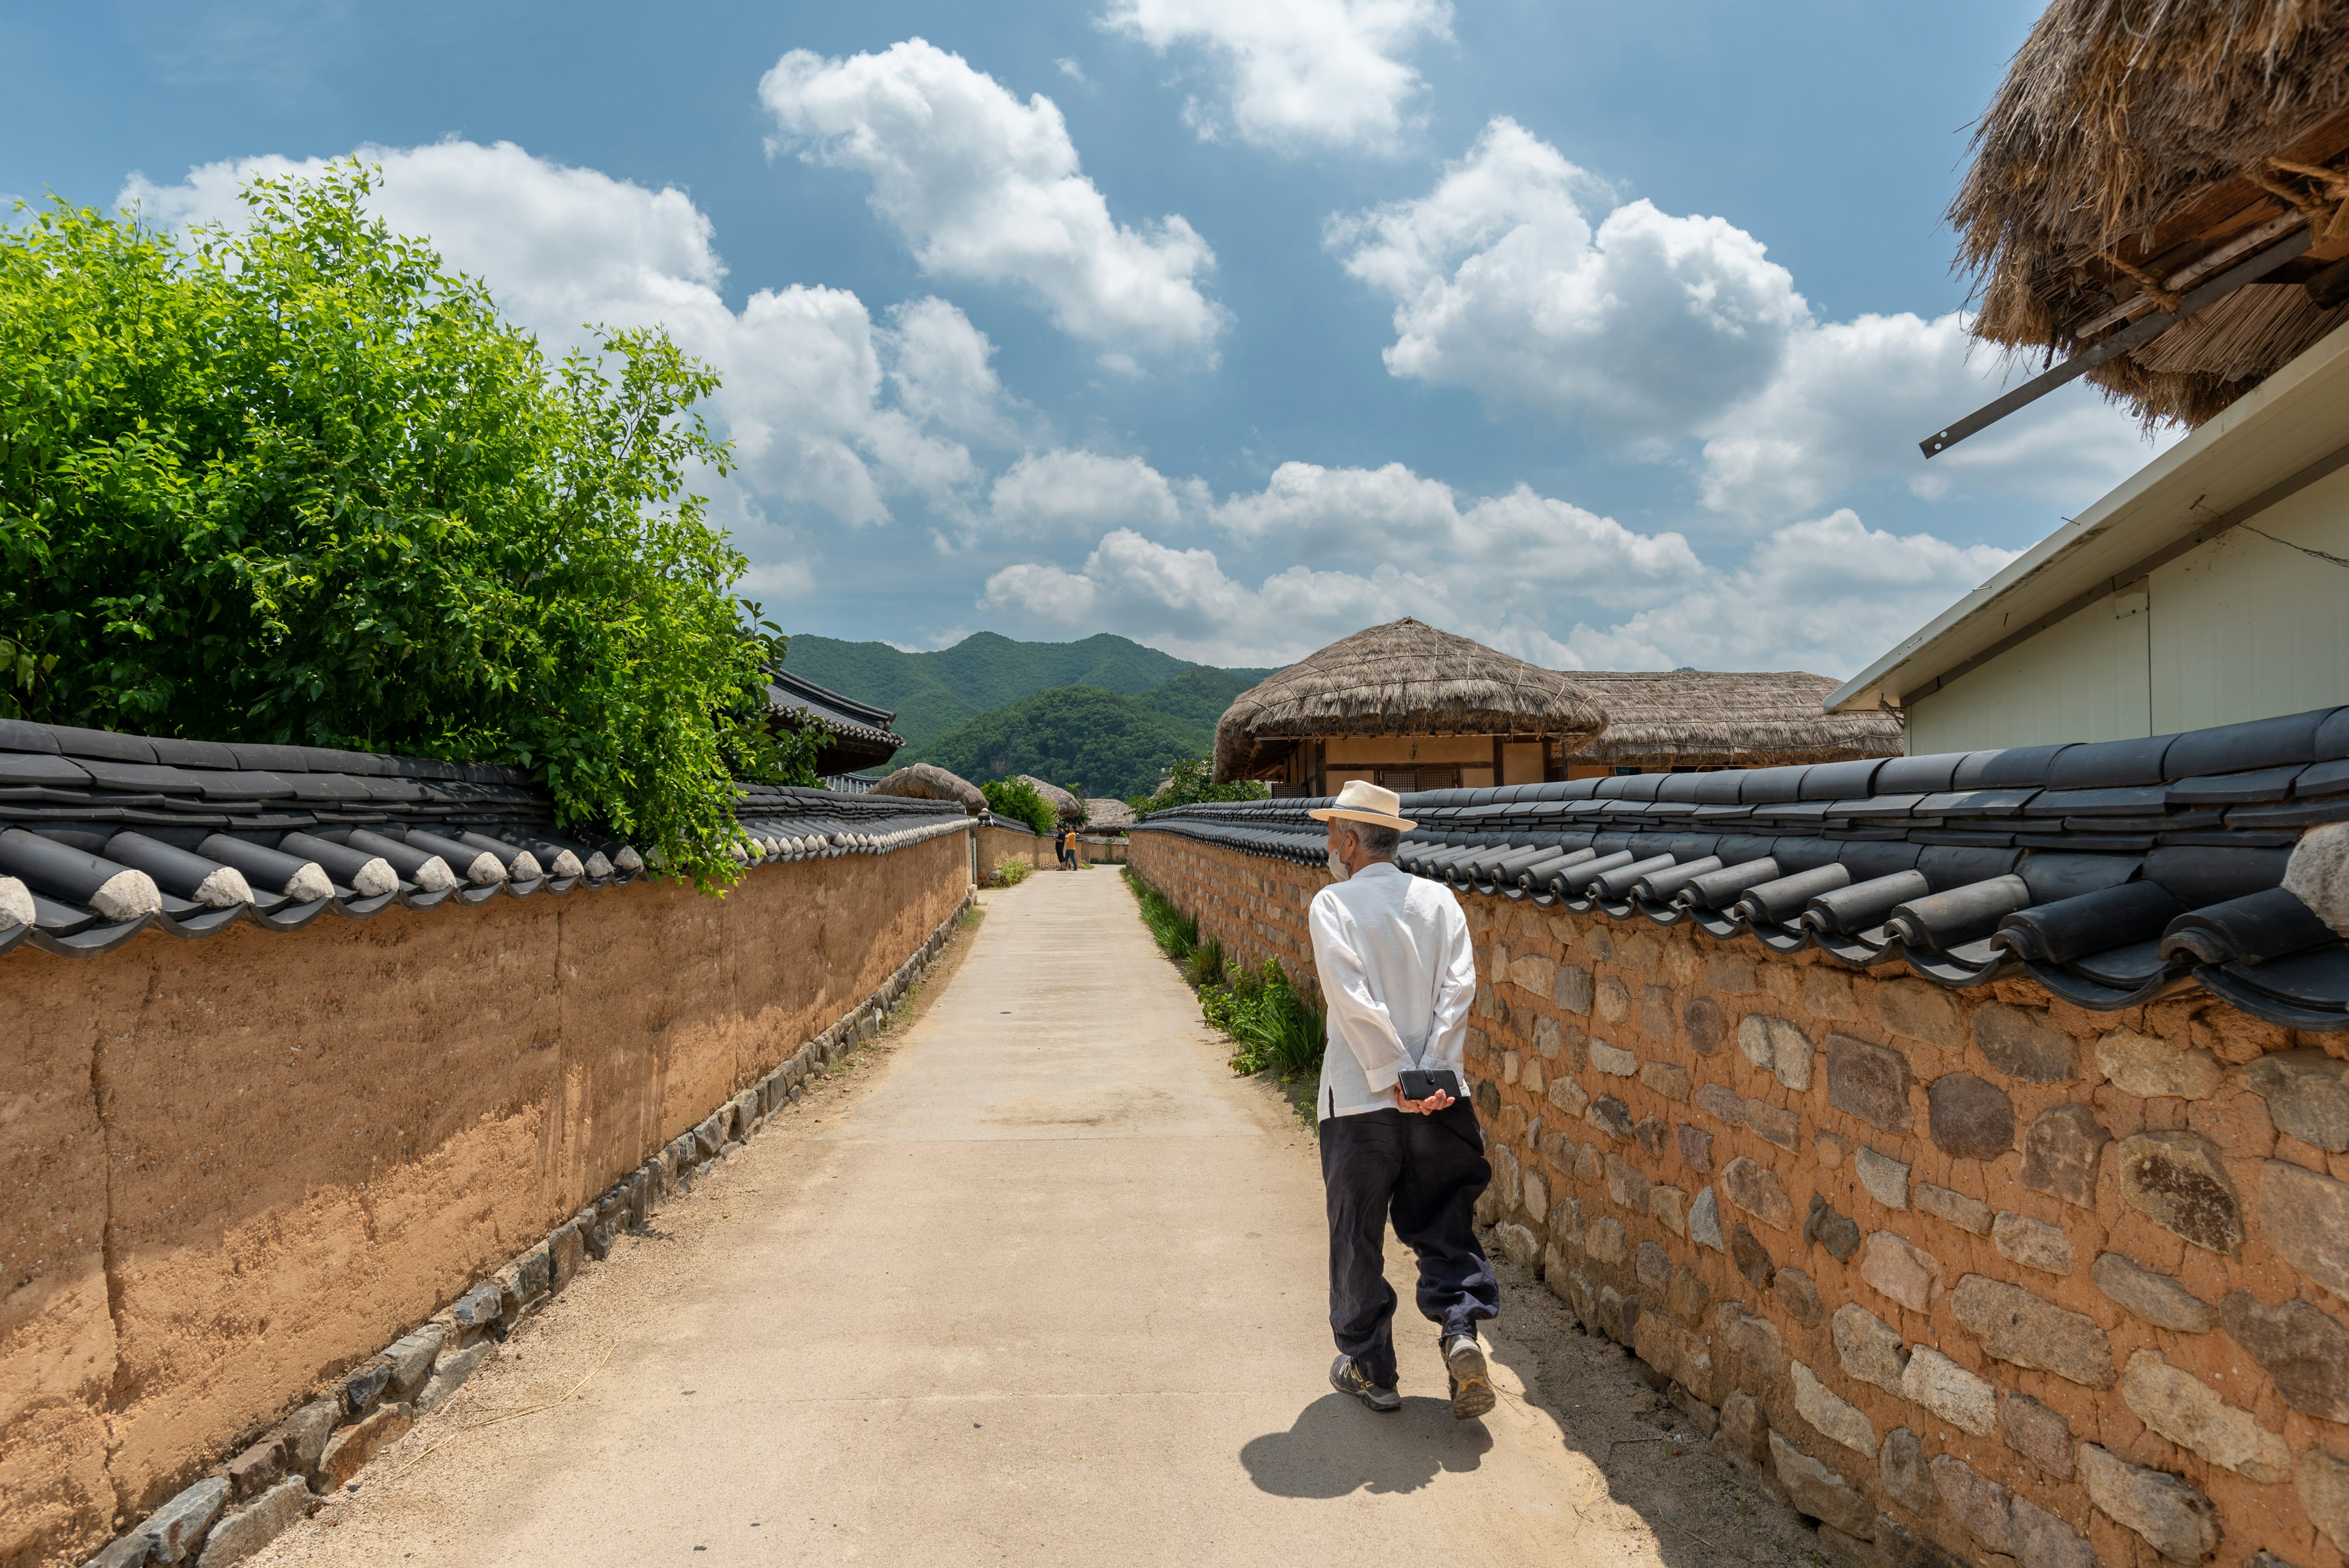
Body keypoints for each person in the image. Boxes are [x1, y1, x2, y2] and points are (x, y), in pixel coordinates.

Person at [1305, 779, 1496, 1420]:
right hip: (1442, 1101)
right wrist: (1431, 1074)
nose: (1330, 845)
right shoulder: (1441, 902)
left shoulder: (1334, 905)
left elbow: (1352, 997)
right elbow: (1458, 991)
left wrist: (1391, 1075)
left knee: (1356, 1235)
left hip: (1361, 1102)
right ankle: (1461, 1332)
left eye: (1334, 834)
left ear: (1352, 843)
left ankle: (1371, 1366)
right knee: (1445, 1223)